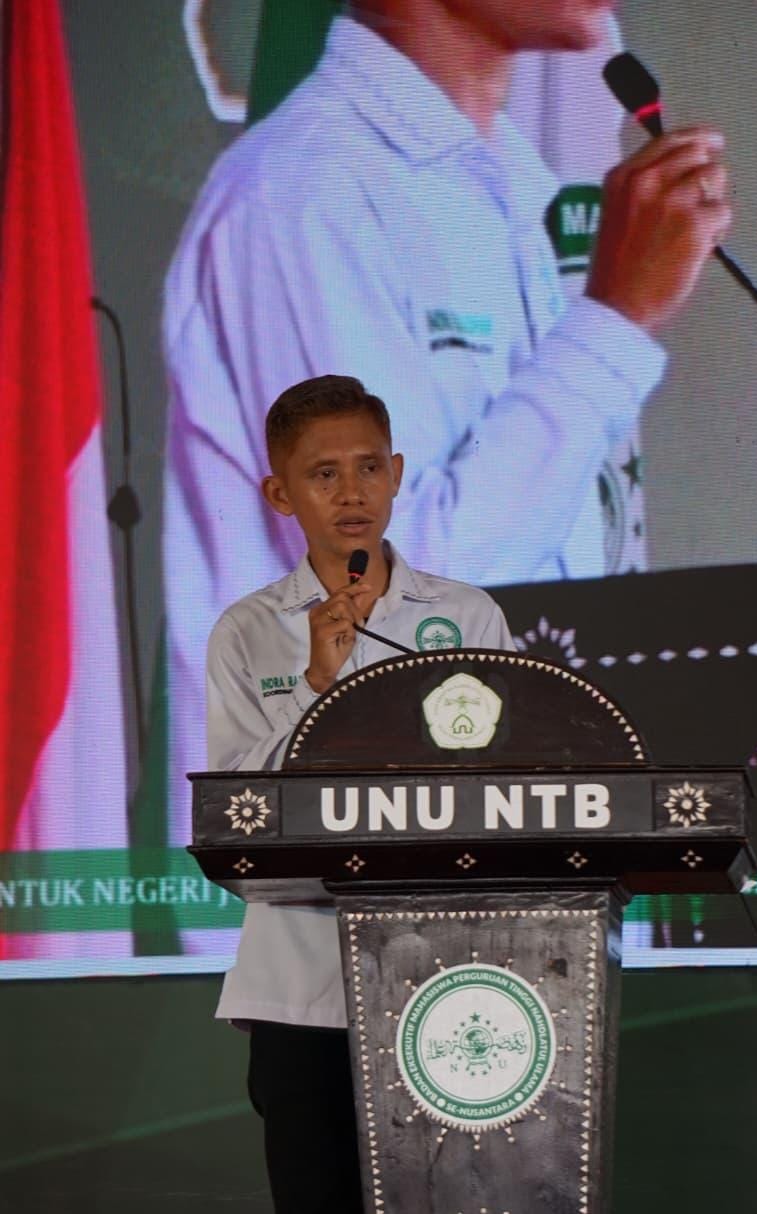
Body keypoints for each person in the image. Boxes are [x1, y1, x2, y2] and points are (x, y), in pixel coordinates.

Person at [165, 0, 731, 903]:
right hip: (343, 914)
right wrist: (614, 323)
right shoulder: (303, 191)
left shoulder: (509, 182)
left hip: (514, 880)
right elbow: (390, 603)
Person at [207, 373, 515, 1212]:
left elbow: (504, 782)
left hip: (451, 982)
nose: (352, 493)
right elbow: (235, 813)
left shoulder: (467, 617)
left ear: (397, 473)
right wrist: (317, 683)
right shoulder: (247, 631)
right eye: (324, 474)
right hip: (301, 989)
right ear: (280, 494)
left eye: (368, 468)